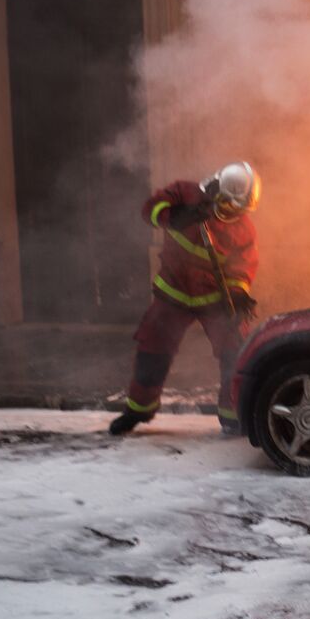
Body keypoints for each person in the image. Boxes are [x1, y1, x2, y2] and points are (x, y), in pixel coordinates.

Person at [109, 162, 261, 436]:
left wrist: (238, 292)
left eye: (238, 210)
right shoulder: (184, 193)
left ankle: (233, 417)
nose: (231, 213)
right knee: (152, 351)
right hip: (173, 295)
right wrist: (175, 215)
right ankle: (137, 411)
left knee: (236, 352)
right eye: (228, 205)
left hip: (214, 300)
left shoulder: (243, 230)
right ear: (217, 190)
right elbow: (150, 210)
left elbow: (243, 265)